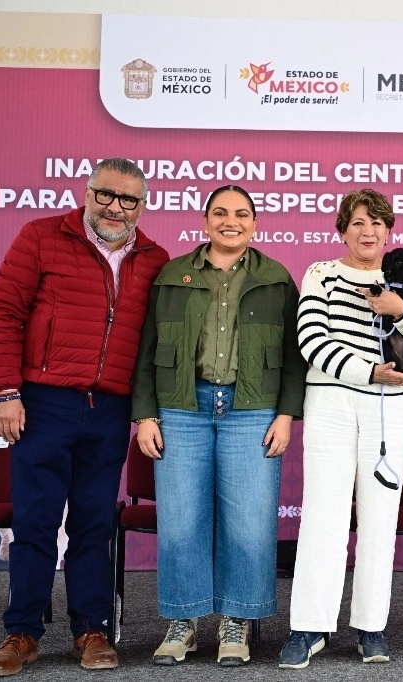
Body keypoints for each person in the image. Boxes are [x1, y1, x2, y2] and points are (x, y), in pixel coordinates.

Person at [0, 158, 169, 676]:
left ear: (142, 205)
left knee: (93, 524)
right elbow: (4, 312)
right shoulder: (41, 236)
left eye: (128, 199)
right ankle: (21, 632)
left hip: (109, 409)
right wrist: (5, 391)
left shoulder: (156, 259)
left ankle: (92, 630)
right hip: (43, 402)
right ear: (86, 193)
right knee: (36, 520)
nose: (115, 207)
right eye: (105, 194)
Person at [130, 185, 306, 667]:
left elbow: (295, 357)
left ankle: (239, 620)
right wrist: (145, 414)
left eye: (243, 214)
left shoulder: (275, 279)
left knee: (249, 524)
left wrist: (286, 415)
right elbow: (146, 349)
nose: (232, 221)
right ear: (205, 220)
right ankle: (183, 621)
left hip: (253, 411)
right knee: (181, 521)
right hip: (182, 409)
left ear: (255, 223)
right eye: (221, 213)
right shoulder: (173, 275)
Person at [279, 189, 403, 669]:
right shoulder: (321, 273)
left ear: (389, 231)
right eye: (357, 223)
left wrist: (402, 311)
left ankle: (371, 626)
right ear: (342, 229)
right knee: (324, 514)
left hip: (392, 409)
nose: (367, 231)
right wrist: (370, 371)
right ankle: (309, 625)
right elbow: (311, 338)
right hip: (331, 399)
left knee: (380, 517)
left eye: (376, 223)